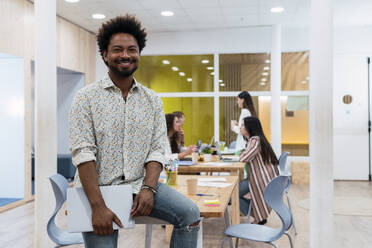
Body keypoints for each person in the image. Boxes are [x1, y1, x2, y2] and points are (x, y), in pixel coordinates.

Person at [69, 15, 200, 248]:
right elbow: (83, 154)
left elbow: (157, 149)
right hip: (98, 191)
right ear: (105, 55)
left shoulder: (152, 100)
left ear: (139, 54)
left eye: (132, 49)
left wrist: (149, 188)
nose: (126, 55)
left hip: (140, 184)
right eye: (117, 49)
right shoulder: (85, 98)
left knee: (189, 214)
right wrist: (97, 206)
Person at [238, 116, 279, 225]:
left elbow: (244, 158)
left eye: (242, 125)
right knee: (235, 193)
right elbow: (246, 154)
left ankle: (257, 215)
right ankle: (259, 215)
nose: (240, 128)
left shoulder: (255, 140)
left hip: (261, 179)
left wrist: (242, 153)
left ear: (249, 127)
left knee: (232, 193)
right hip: (263, 178)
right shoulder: (254, 140)